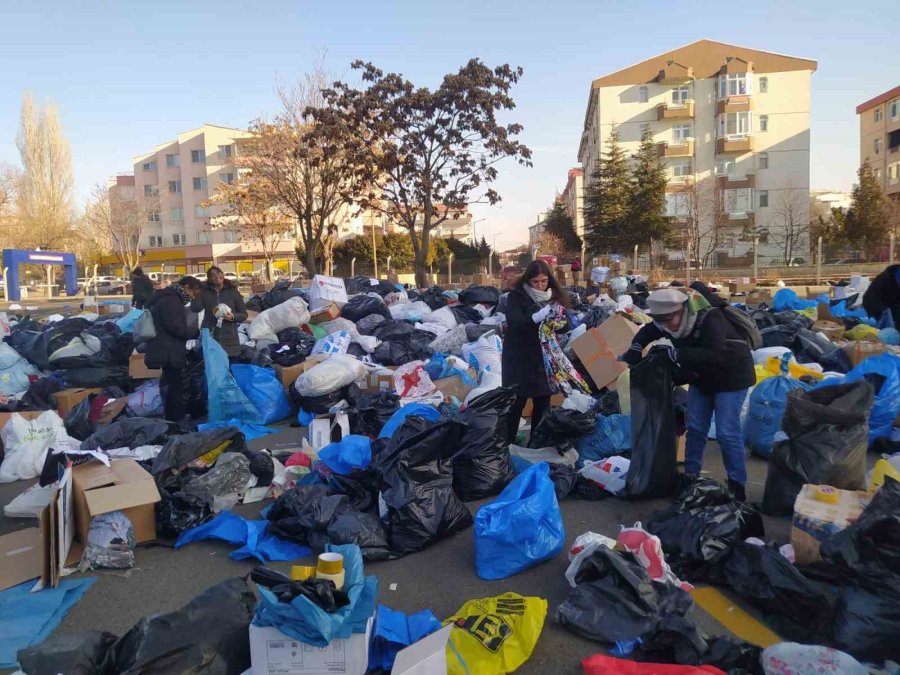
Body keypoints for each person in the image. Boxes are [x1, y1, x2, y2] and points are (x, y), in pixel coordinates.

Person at [621, 287, 755, 501]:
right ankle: (691, 477)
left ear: (682, 310)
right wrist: (635, 348)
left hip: (732, 376)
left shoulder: (711, 319)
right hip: (701, 378)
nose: (666, 326)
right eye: (661, 321)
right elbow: (648, 332)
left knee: (727, 433)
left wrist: (676, 354)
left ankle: (737, 486)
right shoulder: (668, 321)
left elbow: (717, 354)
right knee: (695, 428)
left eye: (669, 320)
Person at [502, 259, 571, 443]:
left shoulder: (554, 296)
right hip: (519, 358)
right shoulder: (516, 297)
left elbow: (567, 323)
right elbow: (516, 324)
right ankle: (506, 445)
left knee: (542, 403)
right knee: (516, 403)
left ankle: (536, 444)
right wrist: (536, 317)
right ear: (528, 281)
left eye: (543, 281)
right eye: (535, 282)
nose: (540, 286)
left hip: (543, 359)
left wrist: (560, 323)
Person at [144, 276, 203, 423]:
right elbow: (176, 327)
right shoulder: (172, 301)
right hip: (170, 350)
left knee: (170, 385)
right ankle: (175, 421)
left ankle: (172, 419)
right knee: (175, 387)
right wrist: (195, 332)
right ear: (187, 287)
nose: (192, 297)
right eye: (193, 293)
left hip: (165, 348)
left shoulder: (167, 297)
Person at [195, 266, 248, 359]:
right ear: (209, 279)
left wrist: (232, 317)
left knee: (231, 368)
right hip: (211, 336)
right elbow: (195, 308)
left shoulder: (233, 291)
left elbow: (244, 314)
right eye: (212, 275)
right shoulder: (204, 292)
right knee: (213, 370)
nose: (216, 276)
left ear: (223, 275)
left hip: (230, 338)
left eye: (218, 273)